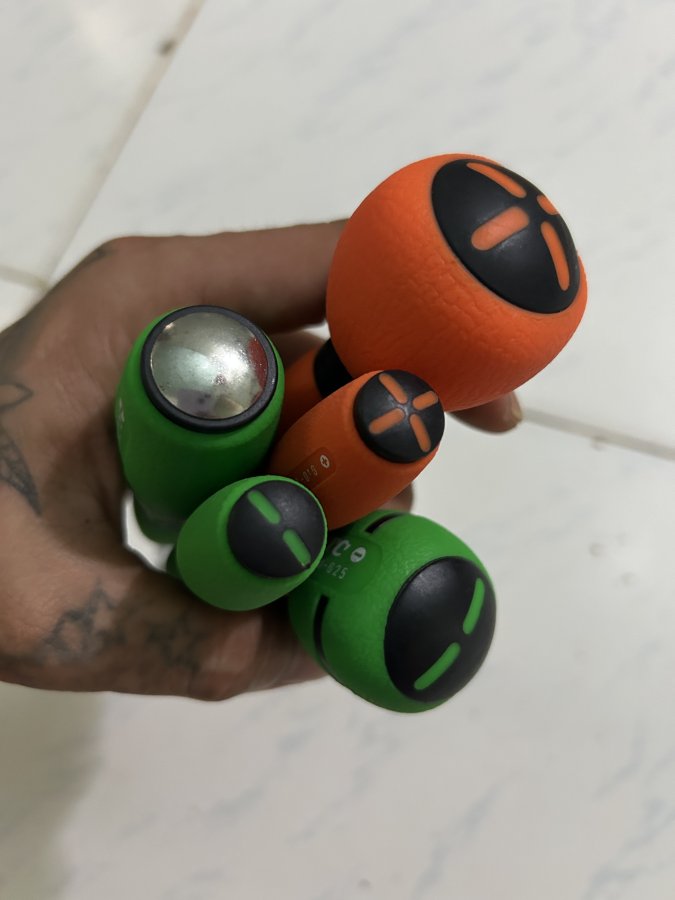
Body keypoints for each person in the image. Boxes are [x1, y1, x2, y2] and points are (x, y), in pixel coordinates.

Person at [0, 223, 521, 700]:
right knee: (262, 523)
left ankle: (168, 519)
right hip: (193, 517)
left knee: (264, 523)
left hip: (193, 519)